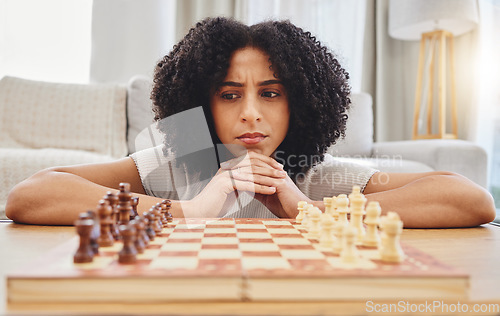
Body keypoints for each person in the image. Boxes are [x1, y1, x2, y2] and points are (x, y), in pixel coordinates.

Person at [5, 17, 496, 228]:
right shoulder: (171, 165)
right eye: (229, 94)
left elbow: (470, 197)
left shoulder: (317, 175)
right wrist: (190, 211)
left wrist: (309, 210)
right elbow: (32, 194)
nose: (250, 113)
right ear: (201, 102)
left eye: (271, 93)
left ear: (299, 102)